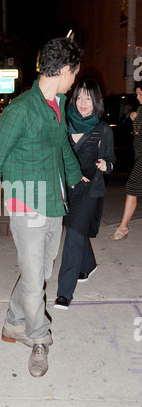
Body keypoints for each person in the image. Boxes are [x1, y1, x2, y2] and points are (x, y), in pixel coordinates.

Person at [0, 37, 83, 377]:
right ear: (64, 70)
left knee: (39, 274)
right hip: (26, 205)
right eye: (74, 73)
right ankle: (38, 339)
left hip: (54, 202)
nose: (75, 79)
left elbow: (61, 145)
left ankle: (12, 323)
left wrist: (76, 175)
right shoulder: (19, 110)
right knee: (36, 280)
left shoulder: (58, 102)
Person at [54, 78, 116, 310]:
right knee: (77, 232)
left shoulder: (102, 129)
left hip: (90, 191)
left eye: (88, 98)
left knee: (72, 236)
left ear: (95, 101)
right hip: (68, 188)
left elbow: (111, 161)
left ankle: (64, 293)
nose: (82, 102)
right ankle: (87, 265)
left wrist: (104, 165)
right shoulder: (64, 124)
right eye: (79, 97)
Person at [110, 84, 142, 240]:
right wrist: (134, 119)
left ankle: (123, 227)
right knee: (133, 187)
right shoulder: (140, 111)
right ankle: (123, 227)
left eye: (140, 93)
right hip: (139, 156)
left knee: (132, 186)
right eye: (137, 94)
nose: (137, 97)